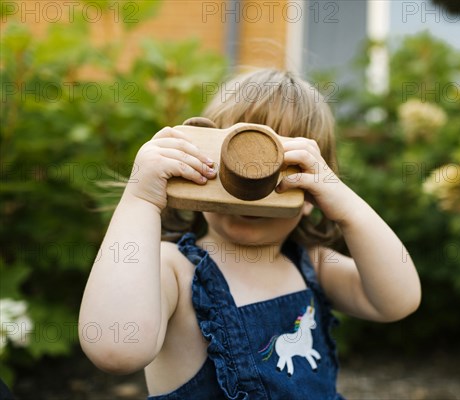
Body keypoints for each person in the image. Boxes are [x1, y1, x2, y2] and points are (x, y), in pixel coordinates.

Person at [79, 69, 421, 399]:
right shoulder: (174, 270)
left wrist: (348, 207)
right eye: (235, 156)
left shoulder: (313, 265)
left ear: (313, 192)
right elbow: (114, 347)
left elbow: (398, 300)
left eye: (281, 164)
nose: (252, 184)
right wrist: (140, 199)